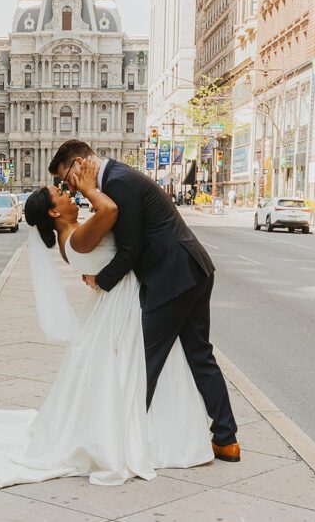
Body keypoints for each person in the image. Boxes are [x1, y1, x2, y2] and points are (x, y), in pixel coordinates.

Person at [0, 157, 215, 487]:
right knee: (132, 372)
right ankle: (138, 434)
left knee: (137, 371)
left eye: (66, 188)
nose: (68, 193)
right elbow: (110, 212)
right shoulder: (76, 237)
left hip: (119, 302)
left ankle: (152, 430)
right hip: (118, 305)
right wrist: (87, 186)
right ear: (54, 212)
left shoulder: (74, 234)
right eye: (61, 193)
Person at [52, 141, 238, 457]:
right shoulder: (116, 180)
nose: (69, 187)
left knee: (143, 361)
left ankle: (124, 444)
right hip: (191, 270)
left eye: (67, 178)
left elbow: (130, 251)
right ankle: (226, 438)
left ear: (81, 163)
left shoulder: (118, 182)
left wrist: (101, 280)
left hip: (172, 277)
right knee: (199, 354)